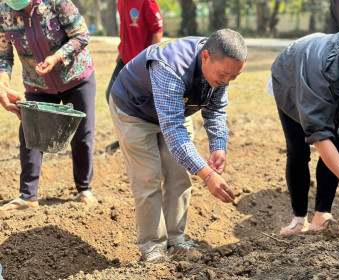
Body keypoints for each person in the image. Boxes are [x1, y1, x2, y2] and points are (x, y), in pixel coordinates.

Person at [109, 29, 246, 262]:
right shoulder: (170, 66)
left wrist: (218, 146)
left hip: (174, 110)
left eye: (232, 77)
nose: (226, 82)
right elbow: (173, 131)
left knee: (179, 175)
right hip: (134, 111)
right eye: (224, 75)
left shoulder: (221, 68)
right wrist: (208, 175)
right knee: (148, 178)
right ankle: (152, 246)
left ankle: (175, 239)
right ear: (205, 57)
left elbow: (216, 110)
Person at [270, 27, 339, 234]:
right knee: (298, 150)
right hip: (292, 81)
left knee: (338, 143)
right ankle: (299, 219)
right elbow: (319, 136)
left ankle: (321, 215)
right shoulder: (319, 72)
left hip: (331, 85)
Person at [0, 0, 97, 212]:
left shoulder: (56, 2)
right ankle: (28, 196)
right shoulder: (4, 11)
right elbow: (3, 56)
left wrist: (56, 57)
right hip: (38, 85)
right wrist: (3, 82)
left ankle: (84, 188)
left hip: (76, 77)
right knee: (30, 134)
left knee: (82, 135)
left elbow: (81, 35)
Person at [105, 0, 163, 152]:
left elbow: (157, 30)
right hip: (125, 60)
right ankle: (126, 136)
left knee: (140, 102)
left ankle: (144, 138)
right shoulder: (121, 2)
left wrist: (150, 59)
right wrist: (121, 52)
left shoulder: (146, 2)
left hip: (140, 62)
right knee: (111, 96)